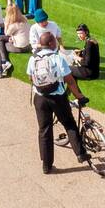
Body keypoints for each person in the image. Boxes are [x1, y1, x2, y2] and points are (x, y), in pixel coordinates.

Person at [27, 30, 89, 174]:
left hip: (40, 98)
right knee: (69, 123)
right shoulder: (57, 58)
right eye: (54, 41)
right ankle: (80, 154)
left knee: (44, 130)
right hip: (57, 97)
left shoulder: (33, 59)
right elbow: (70, 81)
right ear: (50, 43)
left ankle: (46, 166)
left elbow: (31, 77)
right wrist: (80, 96)